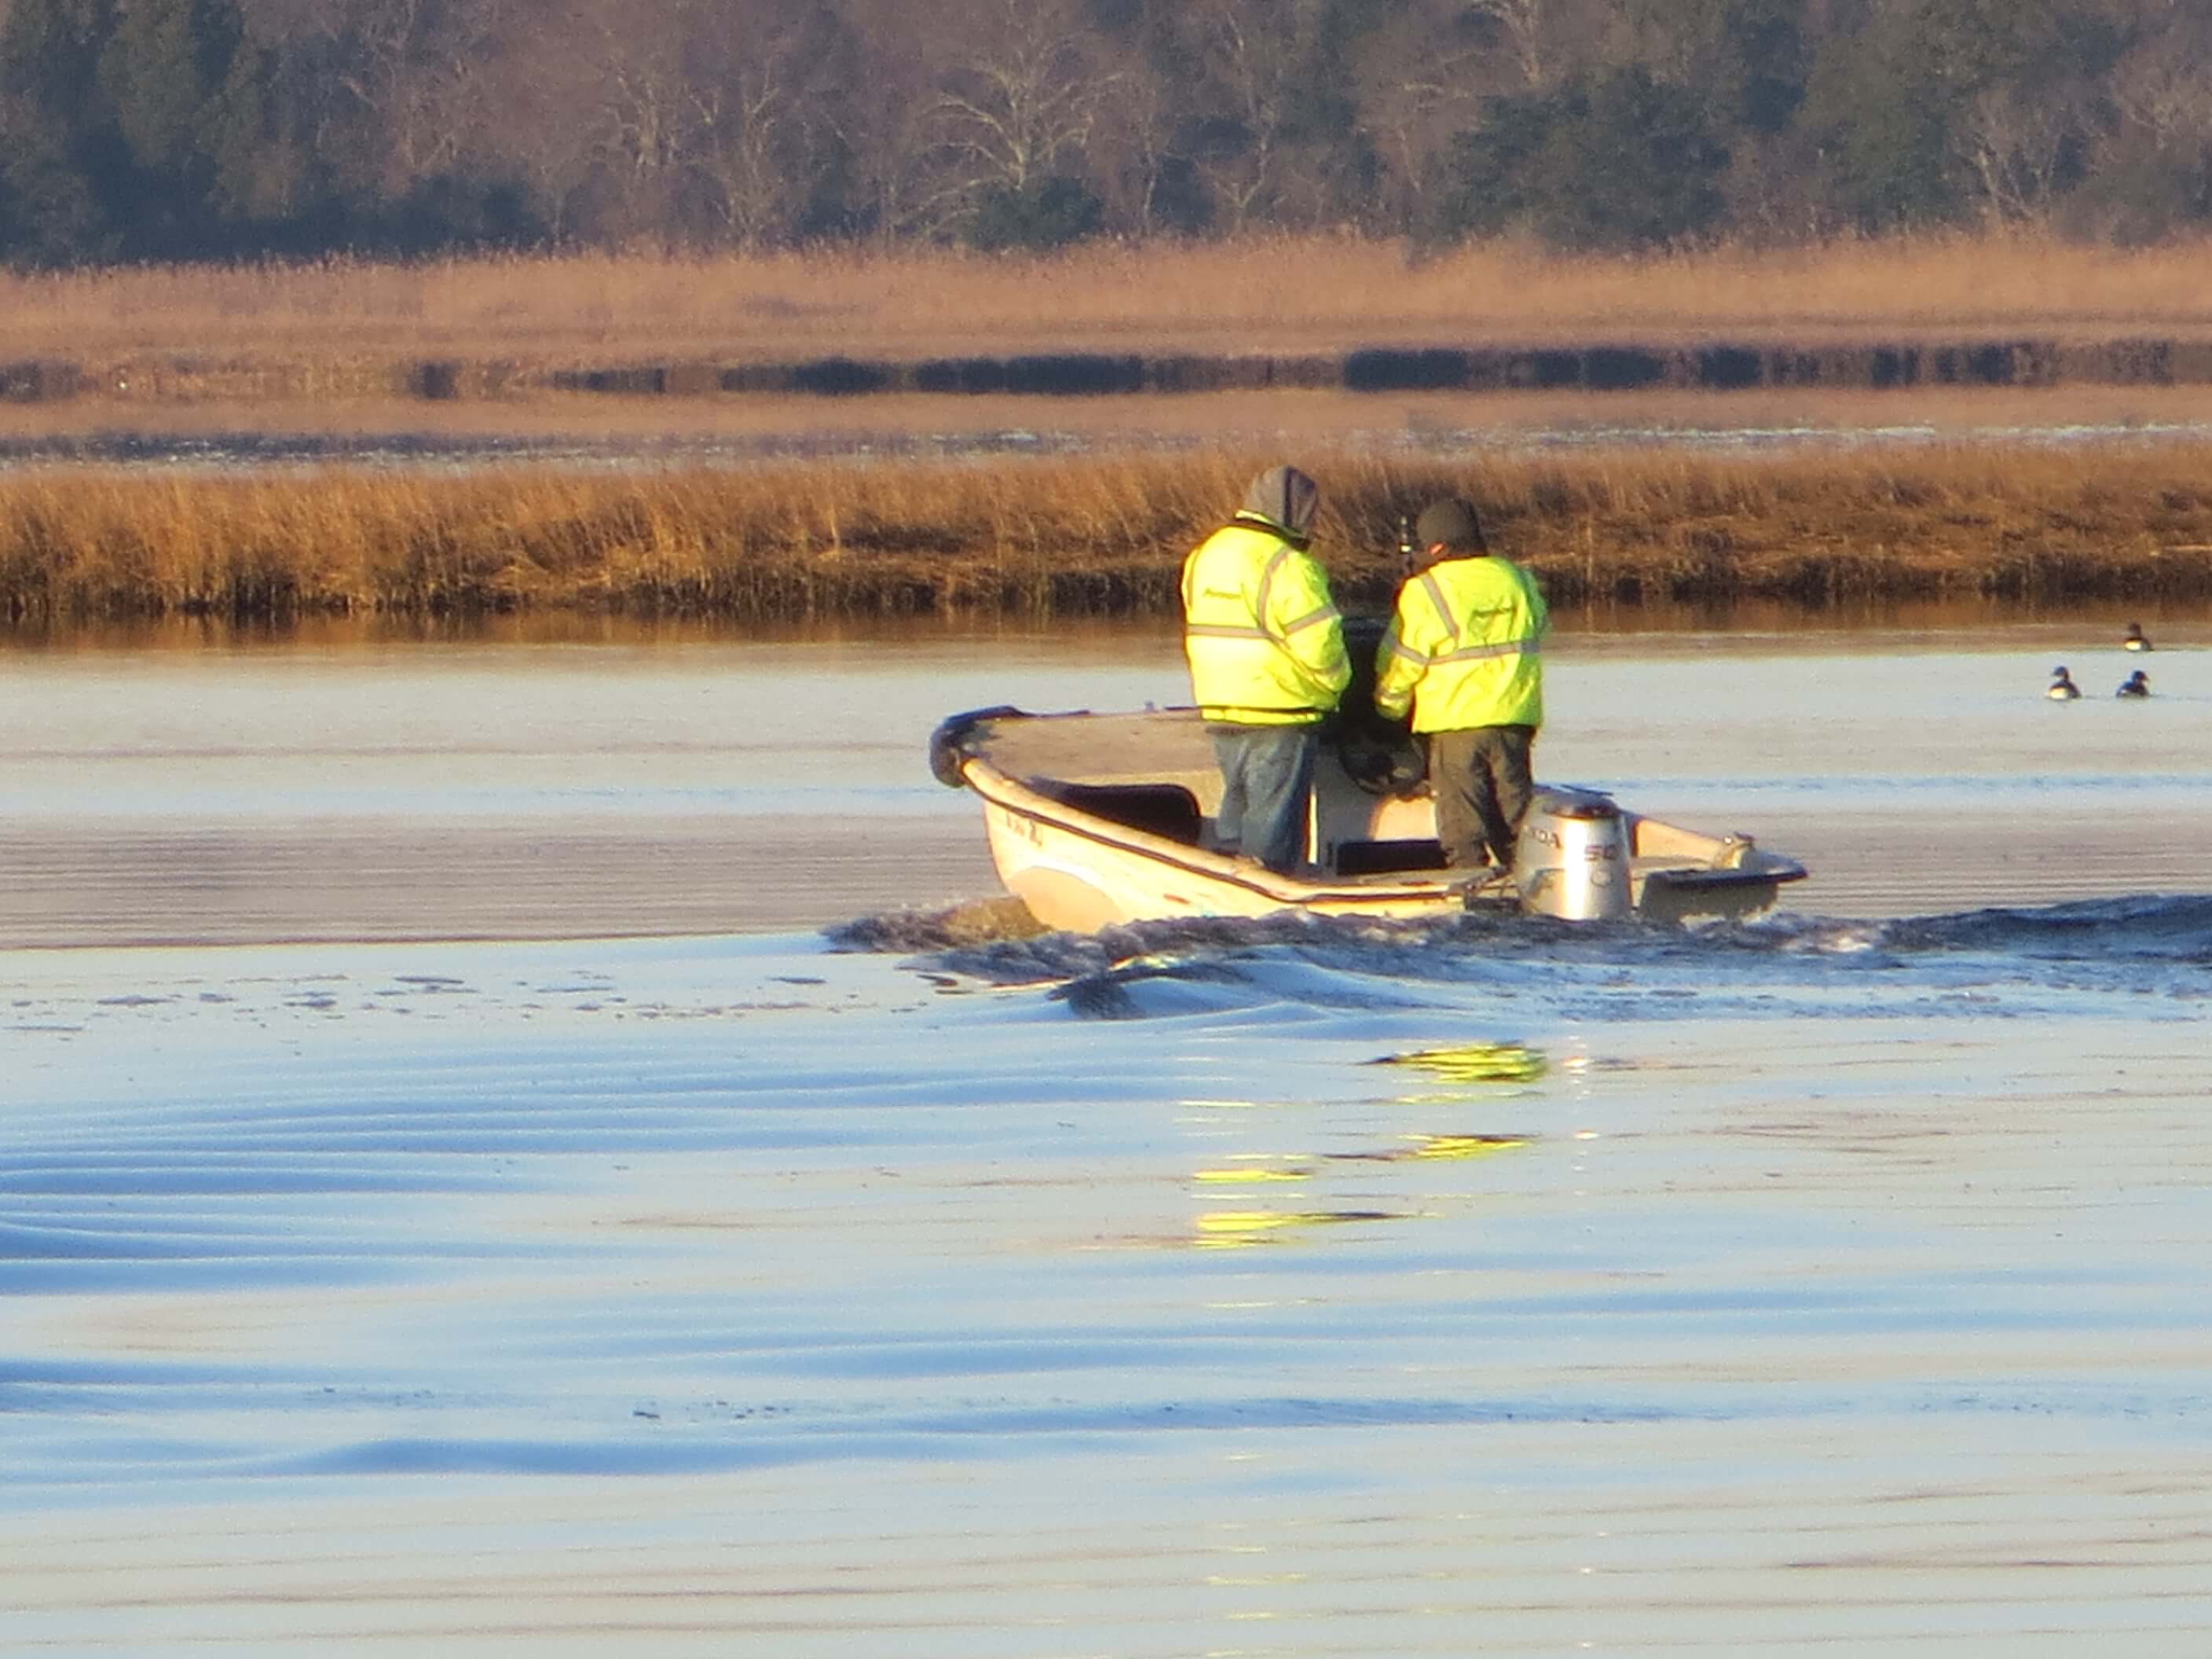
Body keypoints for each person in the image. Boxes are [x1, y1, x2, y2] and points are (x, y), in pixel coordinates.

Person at [1181, 465, 1350, 873]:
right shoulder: (1289, 565)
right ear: (1294, 512)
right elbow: (1320, 645)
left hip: (1220, 703)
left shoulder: (1204, 554)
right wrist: (1337, 688)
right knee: (1273, 824)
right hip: (1281, 708)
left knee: (1236, 807)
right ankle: (1269, 897)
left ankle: (1226, 883)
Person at [1373, 497, 1547, 873]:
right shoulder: (1518, 579)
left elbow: (1404, 660)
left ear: (1437, 546)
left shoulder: (1426, 590)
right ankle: (1534, 884)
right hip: (1514, 721)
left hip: (1455, 726)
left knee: (1462, 825)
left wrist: (1388, 707)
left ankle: (1469, 895)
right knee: (1517, 817)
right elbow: (1539, 627)